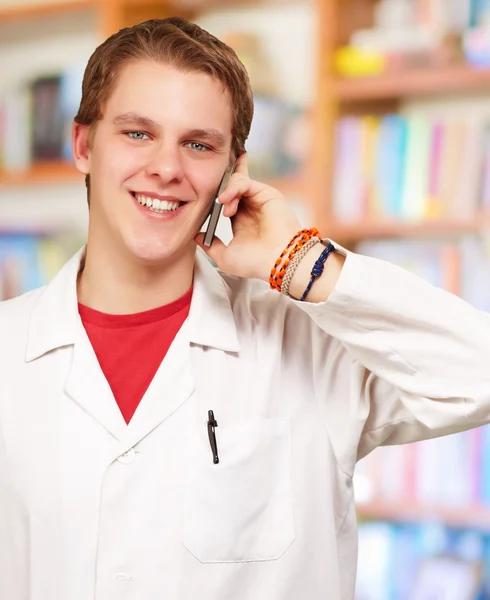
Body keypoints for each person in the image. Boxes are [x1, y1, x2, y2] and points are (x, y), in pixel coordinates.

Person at [0, 16, 489, 600]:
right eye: (136, 133)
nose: (166, 167)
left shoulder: (312, 346)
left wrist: (295, 258)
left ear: (233, 171)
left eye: (199, 144)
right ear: (83, 144)